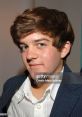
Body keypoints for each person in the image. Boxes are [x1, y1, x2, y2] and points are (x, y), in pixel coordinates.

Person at [0, 7, 82, 117]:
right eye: (24, 47)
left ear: (63, 49)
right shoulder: (11, 86)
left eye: (41, 44)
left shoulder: (78, 91)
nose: (29, 56)